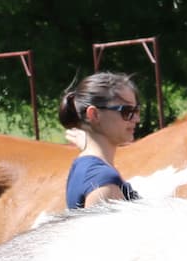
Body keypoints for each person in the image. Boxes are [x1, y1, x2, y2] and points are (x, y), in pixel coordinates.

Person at [59, 71, 141, 208]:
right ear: (94, 114)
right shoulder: (103, 182)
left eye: (136, 110)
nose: (136, 119)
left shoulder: (85, 165)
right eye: (126, 112)